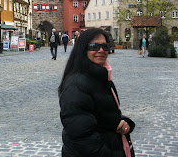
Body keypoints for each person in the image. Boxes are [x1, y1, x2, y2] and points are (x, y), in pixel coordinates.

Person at [58, 28, 135, 157]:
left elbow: (103, 114)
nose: (101, 50)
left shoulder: (101, 76)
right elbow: (81, 135)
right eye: (94, 46)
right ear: (83, 49)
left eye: (105, 46)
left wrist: (124, 122)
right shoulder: (77, 84)